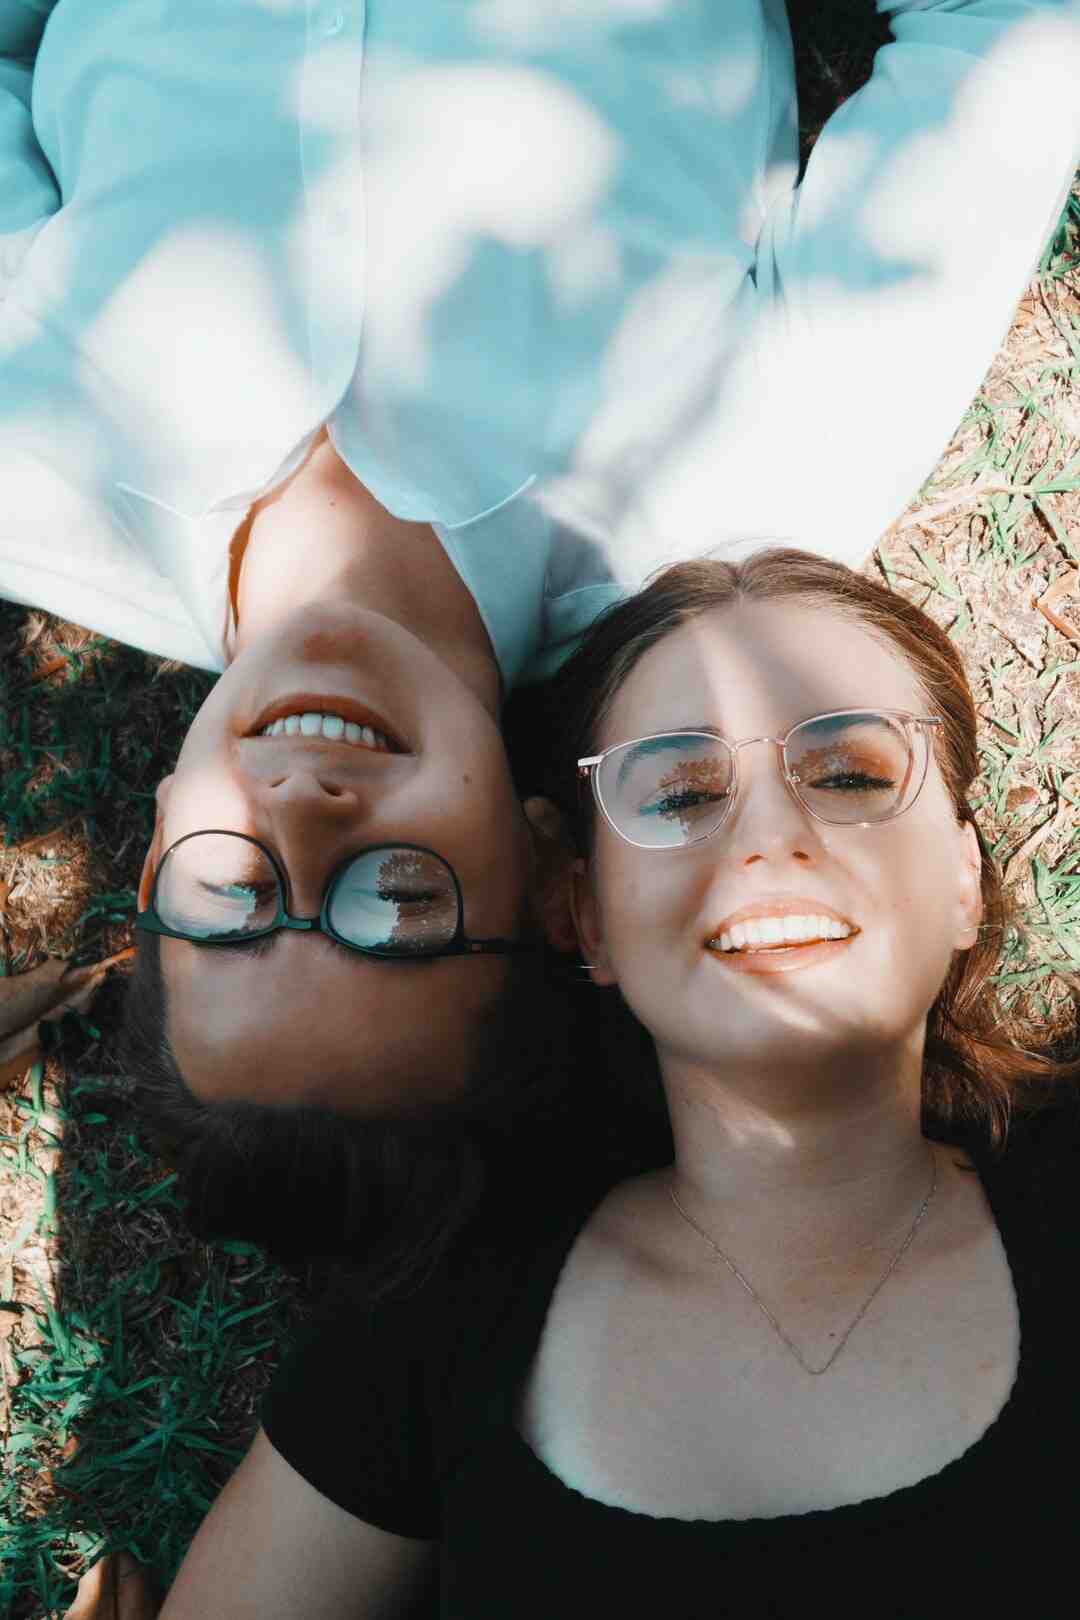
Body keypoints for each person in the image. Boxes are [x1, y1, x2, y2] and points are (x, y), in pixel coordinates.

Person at [2, 0, 1078, 1251]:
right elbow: (1008, 41)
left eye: (230, 895)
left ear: (153, 863)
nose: (304, 807)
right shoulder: (744, 476)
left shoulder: (32, 471)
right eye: (398, 900)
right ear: (555, 875)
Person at [150, 549, 1080, 1617]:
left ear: (964, 879)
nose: (771, 836)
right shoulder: (443, 1317)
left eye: (849, 776)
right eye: (680, 794)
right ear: (583, 915)